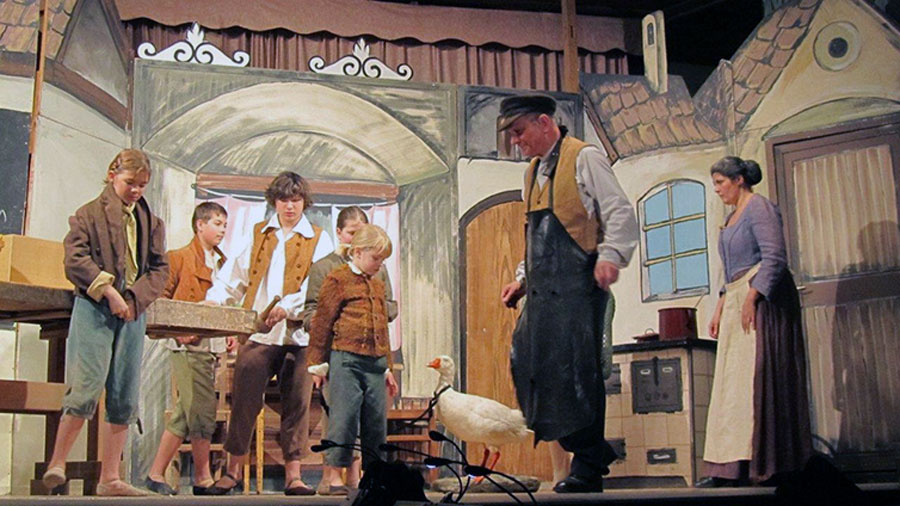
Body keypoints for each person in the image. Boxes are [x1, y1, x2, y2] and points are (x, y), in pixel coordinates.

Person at [497, 95, 638, 493]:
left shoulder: (584, 158)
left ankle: (588, 465)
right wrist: (522, 278)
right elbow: (535, 235)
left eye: (519, 131)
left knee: (578, 376)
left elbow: (619, 212)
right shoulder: (532, 172)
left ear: (544, 122)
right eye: (512, 134)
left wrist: (610, 256)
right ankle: (593, 452)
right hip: (543, 293)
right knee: (528, 366)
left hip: (578, 287)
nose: (516, 141)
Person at [42, 149, 168, 496]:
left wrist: (134, 298)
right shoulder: (87, 215)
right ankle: (57, 462)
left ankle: (110, 477)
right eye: (130, 183)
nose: (136, 191)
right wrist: (108, 290)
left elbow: (159, 269)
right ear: (113, 175)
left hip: (132, 311)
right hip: (95, 307)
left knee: (125, 391)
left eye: (142, 185)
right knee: (86, 383)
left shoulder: (151, 222)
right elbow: (75, 259)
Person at [204, 172, 332, 496]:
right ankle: (232, 471)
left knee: (298, 404)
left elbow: (317, 287)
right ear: (274, 201)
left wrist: (288, 308)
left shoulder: (319, 239)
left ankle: (294, 476)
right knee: (244, 400)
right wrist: (214, 300)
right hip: (260, 335)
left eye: (296, 200)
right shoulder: (259, 234)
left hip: (299, 337)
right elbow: (233, 276)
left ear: (304, 202)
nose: (290, 206)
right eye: (284, 200)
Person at [697, 156, 811, 487]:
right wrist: (720, 305)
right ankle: (731, 466)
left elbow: (774, 257)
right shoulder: (732, 216)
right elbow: (730, 270)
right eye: (715, 183)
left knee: (755, 382)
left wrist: (752, 297)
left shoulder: (759, 207)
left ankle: (765, 463)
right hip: (737, 299)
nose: (717, 189)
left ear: (739, 180)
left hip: (762, 302)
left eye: (720, 182)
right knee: (733, 386)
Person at [299, 206, 398, 495]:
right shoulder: (337, 279)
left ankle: (373, 476)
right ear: (357, 252)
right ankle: (333, 477)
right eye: (375, 258)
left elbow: (381, 327)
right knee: (343, 418)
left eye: (382, 260)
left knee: (375, 423)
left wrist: (387, 367)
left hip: (374, 363)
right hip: (346, 359)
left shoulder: (376, 284)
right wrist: (317, 363)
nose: (379, 265)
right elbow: (322, 323)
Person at [145, 202, 229, 496]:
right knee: (200, 409)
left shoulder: (222, 262)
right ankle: (202, 477)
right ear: (199, 225)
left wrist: (229, 334)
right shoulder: (179, 258)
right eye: (217, 223)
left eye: (224, 224)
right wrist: (179, 331)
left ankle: (155, 473)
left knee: (186, 412)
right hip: (188, 345)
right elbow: (161, 300)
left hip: (212, 345)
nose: (222, 229)